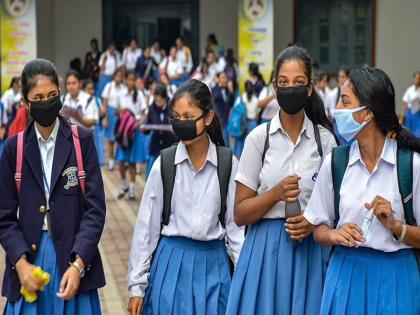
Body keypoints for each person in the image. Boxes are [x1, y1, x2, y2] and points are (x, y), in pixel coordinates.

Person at [226, 46, 337, 315]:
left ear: (310, 88)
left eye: (299, 83)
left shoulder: (325, 142)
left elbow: (334, 210)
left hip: (309, 251)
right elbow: (240, 214)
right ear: (274, 87)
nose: (291, 89)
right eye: (284, 83)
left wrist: (311, 223)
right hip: (264, 251)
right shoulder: (258, 139)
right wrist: (274, 194)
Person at [304, 68, 420, 314]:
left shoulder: (411, 166)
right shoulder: (336, 162)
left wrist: (397, 228)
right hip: (345, 277)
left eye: (345, 101)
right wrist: (335, 235)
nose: (336, 109)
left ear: (368, 113)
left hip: (396, 281)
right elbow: (318, 229)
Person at [127, 79, 244, 315]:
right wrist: (136, 286)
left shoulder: (227, 164)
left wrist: (244, 280)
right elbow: (146, 228)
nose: (182, 123)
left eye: (189, 116)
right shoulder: (165, 163)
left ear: (208, 117)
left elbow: (235, 230)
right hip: (171, 265)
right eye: (177, 117)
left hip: (215, 267)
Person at [0, 58, 106, 314]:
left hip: (74, 260)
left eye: (52, 95)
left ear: (60, 94)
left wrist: (79, 264)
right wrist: (21, 264)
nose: (46, 102)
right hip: (28, 264)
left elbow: (95, 211)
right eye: (38, 97)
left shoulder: (82, 141)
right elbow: (4, 217)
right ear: (25, 102)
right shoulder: (14, 149)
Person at [115, 71, 147, 200]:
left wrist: (139, 123)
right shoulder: (120, 94)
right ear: (125, 80)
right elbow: (116, 112)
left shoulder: (139, 95)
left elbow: (144, 112)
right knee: (121, 161)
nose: (131, 82)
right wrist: (120, 112)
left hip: (134, 130)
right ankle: (124, 185)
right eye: (129, 79)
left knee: (133, 161)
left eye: (133, 80)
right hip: (123, 131)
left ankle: (132, 188)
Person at [143, 83, 177, 177]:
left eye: (160, 101)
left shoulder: (173, 108)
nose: (158, 103)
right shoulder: (152, 108)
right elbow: (149, 126)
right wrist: (145, 129)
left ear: (165, 98)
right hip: (156, 145)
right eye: (156, 100)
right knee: (152, 175)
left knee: (168, 176)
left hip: (170, 145)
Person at [101, 68, 126, 171]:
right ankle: (111, 161)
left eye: (120, 76)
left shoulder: (124, 88)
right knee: (111, 139)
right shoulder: (109, 86)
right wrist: (105, 118)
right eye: (117, 75)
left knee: (120, 138)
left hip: (120, 113)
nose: (118, 78)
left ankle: (120, 160)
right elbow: (105, 103)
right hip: (111, 112)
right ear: (114, 76)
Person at [83, 79, 105, 166]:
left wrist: (100, 113)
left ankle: (98, 163)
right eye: (88, 89)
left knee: (98, 145)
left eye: (92, 89)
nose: (91, 91)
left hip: (97, 128)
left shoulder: (97, 100)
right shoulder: (81, 101)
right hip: (85, 128)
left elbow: (102, 112)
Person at [212, 72, 235, 145]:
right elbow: (216, 96)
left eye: (225, 77)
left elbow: (231, 103)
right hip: (219, 118)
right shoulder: (215, 88)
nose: (225, 80)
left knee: (225, 138)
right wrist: (217, 83)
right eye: (223, 77)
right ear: (218, 79)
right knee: (223, 138)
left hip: (226, 117)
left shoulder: (227, 89)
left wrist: (231, 91)